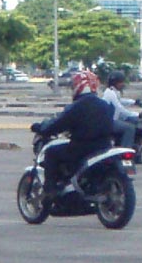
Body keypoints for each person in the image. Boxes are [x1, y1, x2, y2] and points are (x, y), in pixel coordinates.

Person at [32, 69, 113, 206]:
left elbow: (58, 124)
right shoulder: (104, 105)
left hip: (81, 148)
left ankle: (50, 191)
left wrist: (42, 128)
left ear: (80, 86)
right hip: (104, 146)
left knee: (51, 153)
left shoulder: (77, 106)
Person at [101, 71, 141, 157]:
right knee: (130, 128)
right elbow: (120, 108)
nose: (123, 84)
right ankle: (124, 153)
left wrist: (134, 102)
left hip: (113, 119)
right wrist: (137, 114)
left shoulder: (114, 92)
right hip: (110, 122)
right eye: (121, 82)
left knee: (132, 121)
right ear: (115, 82)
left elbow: (120, 101)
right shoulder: (110, 93)